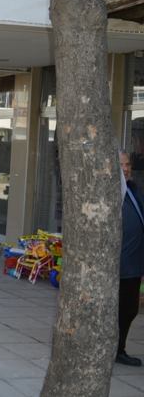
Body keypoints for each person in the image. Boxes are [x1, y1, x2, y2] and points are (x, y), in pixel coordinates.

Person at [117, 151, 144, 366]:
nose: (126, 168)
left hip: (134, 263)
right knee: (123, 309)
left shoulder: (131, 189)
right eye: (122, 165)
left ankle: (118, 348)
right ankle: (117, 350)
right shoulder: (113, 193)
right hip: (121, 266)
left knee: (130, 309)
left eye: (128, 165)